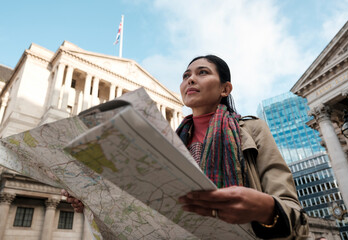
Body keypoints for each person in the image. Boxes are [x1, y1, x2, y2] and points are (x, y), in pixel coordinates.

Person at [63, 54, 309, 239]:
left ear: (225, 88)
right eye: (185, 75)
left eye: (202, 72)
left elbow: (296, 219)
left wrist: (265, 209)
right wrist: (96, 199)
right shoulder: (164, 143)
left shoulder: (252, 130)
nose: (190, 78)